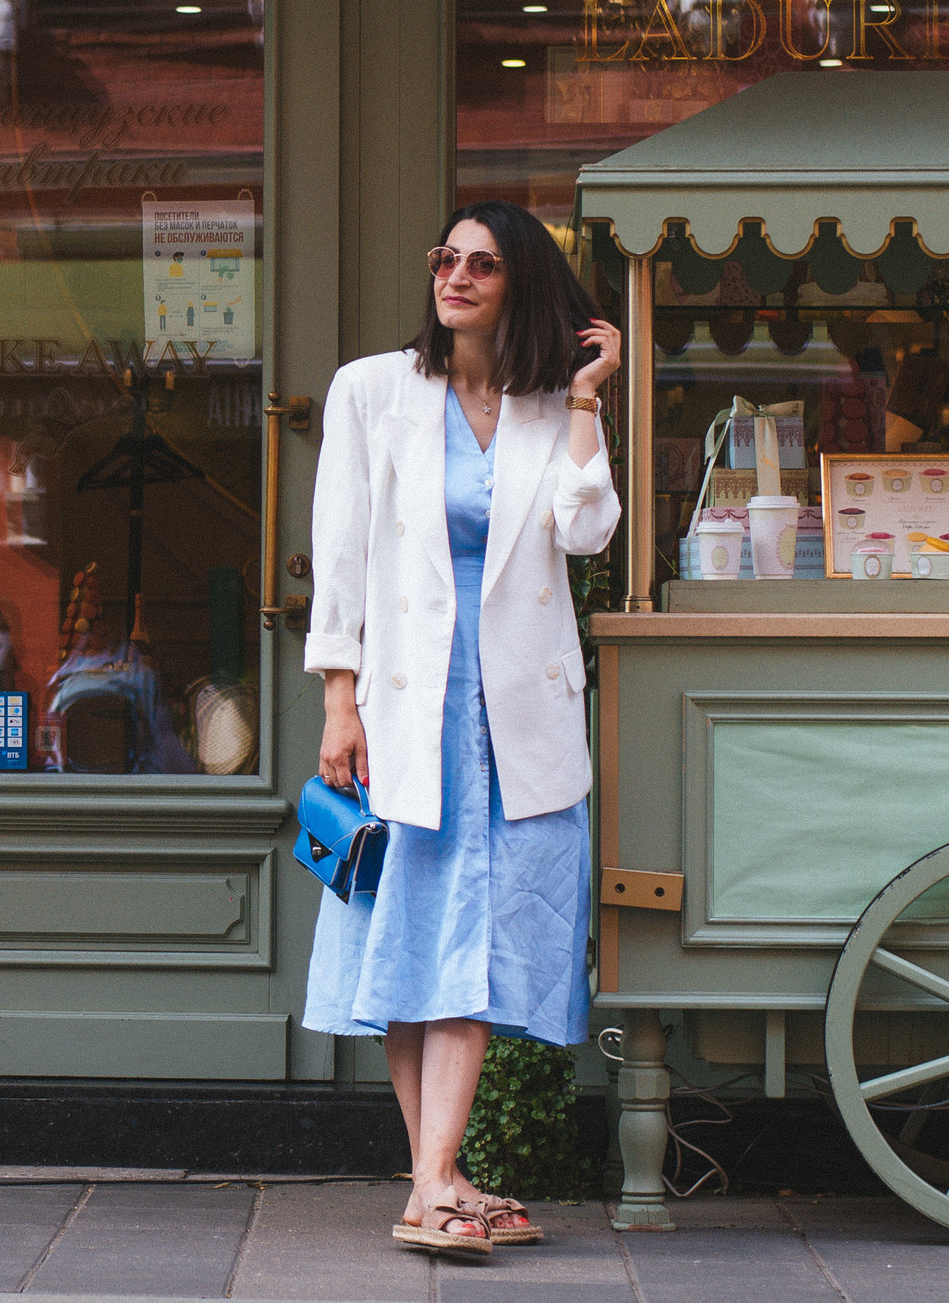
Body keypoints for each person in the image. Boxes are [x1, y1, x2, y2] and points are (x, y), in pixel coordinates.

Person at [303, 200, 622, 1257]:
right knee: (414, 935)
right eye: (447, 256)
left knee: (475, 938)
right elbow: (339, 551)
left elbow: (586, 530)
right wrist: (339, 698)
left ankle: (433, 1181)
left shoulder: (548, 405)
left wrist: (586, 397)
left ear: (519, 283)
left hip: (516, 707)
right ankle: (436, 1181)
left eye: (483, 264)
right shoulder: (372, 390)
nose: (457, 275)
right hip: (409, 701)